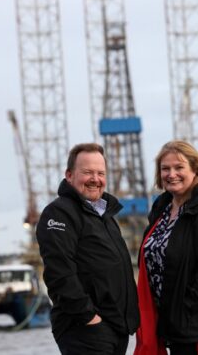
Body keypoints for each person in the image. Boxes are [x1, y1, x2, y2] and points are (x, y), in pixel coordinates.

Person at [37, 143, 139, 355]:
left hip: (114, 328)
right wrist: (89, 318)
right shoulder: (58, 214)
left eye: (100, 173)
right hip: (85, 329)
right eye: (87, 172)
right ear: (69, 175)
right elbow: (59, 273)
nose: (95, 179)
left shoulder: (105, 216)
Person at [135, 140, 198, 355]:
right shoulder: (161, 209)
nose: (171, 174)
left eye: (179, 167)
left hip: (196, 328)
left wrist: (183, 310)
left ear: (196, 170)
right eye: (165, 169)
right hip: (167, 326)